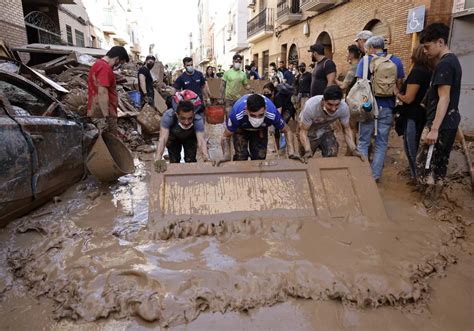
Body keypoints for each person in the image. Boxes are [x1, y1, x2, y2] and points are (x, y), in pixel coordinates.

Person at [417, 23, 462, 193]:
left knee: (425, 165)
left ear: (440, 42)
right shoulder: (453, 61)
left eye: (428, 47)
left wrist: (434, 129)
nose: (425, 51)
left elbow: (445, 97)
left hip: (439, 125)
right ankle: (436, 202)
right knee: (440, 164)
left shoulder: (445, 64)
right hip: (448, 122)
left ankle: (428, 204)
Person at [355, 35, 405, 182]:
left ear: (370, 48)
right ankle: (375, 176)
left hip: (368, 106)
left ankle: (362, 176)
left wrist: (364, 105)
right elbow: (400, 84)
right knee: (381, 143)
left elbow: (360, 86)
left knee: (363, 141)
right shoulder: (396, 61)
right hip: (387, 107)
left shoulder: (364, 61)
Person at [217, 94, 297, 163]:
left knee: (259, 157)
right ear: (246, 110)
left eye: (261, 115)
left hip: (260, 130)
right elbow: (225, 136)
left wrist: (291, 152)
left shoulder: (272, 113)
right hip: (241, 129)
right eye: (253, 115)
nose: (257, 119)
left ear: (265, 109)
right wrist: (226, 155)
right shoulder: (237, 113)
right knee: (241, 156)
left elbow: (287, 131)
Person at [394, 45, 432, 183]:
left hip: (413, 116)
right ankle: (416, 175)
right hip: (422, 115)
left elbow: (409, 98)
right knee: (416, 146)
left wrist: (397, 93)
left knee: (411, 147)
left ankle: (416, 177)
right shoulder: (429, 71)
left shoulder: (417, 72)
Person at [299, 85, 362, 162]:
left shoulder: (343, 108)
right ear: (323, 100)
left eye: (337, 105)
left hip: (324, 128)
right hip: (308, 130)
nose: (333, 109)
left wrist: (353, 149)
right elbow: (303, 131)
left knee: (332, 152)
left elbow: (346, 129)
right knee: (306, 159)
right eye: (330, 104)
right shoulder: (311, 106)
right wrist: (307, 150)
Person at [87, 45, 129, 136]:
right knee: (108, 141)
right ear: (117, 59)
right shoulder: (104, 68)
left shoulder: (98, 64)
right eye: (120, 62)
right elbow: (102, 92)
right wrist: (105, 115)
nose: (119, 65)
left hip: (98, 110)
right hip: (104, 113)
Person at [155, 100, 209, 168]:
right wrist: (158, 158)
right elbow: (162, 140)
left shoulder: (198, 120)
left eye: (190, 118)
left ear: (194, 115)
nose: (186, 122)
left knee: (191, 161)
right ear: (177, 115)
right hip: (173, 138)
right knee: (174, 161)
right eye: (183, 118)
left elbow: (201, 141)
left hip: (190, 137)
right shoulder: (168, 117)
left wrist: (206, 157)